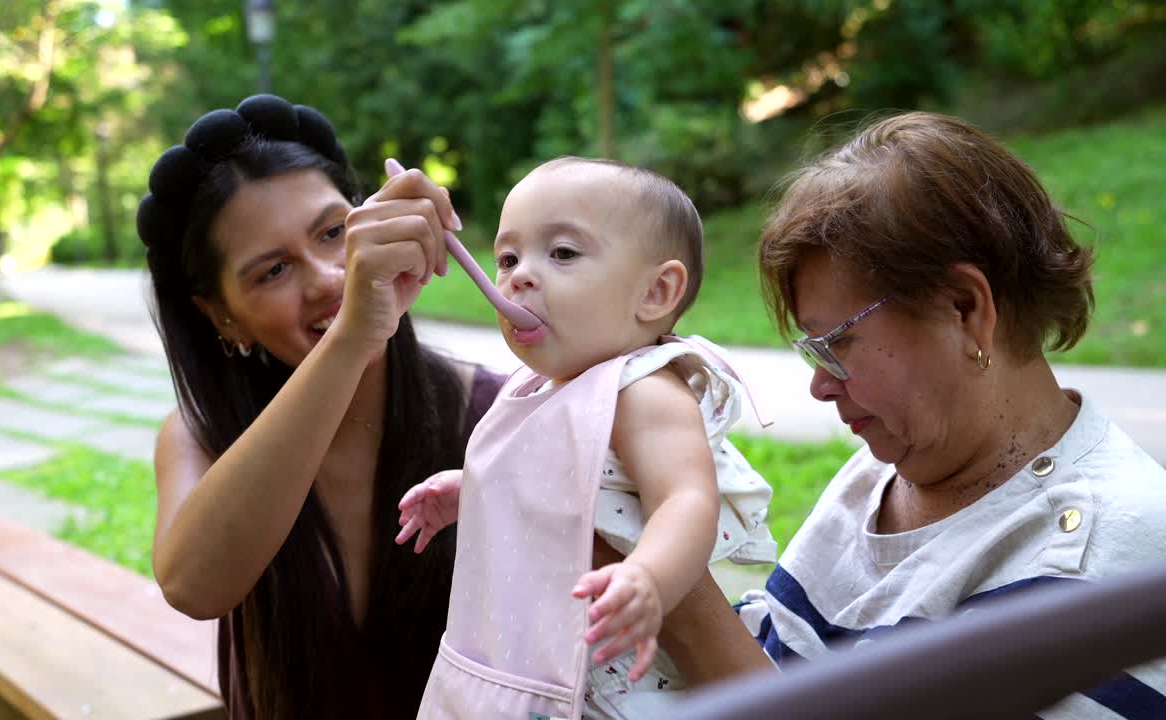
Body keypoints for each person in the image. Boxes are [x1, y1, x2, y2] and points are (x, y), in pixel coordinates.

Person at [657, 111, 1166, 717]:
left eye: (836, 343)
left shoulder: (1096, 564)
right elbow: (787, 654)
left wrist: (675, 599)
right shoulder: (892, 470)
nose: (820, 385)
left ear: (964, 307)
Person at [136, 93, 505, 719]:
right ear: (221, 315)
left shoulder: (494, 412)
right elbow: (193, 586)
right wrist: (352, 338)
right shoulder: (202, 434)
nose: (330, 278)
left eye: (335, 233)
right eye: (272, 271)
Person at [395, 157, 777, 719]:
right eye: (507, 257)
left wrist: (648, 577)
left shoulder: (641, 388)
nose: (520, 275)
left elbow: (686, 498)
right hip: (534, 668)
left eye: (563, 253)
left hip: (620, 685)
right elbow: (562, 477)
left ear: (656, 291)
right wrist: (474, 490)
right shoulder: (545, 386)